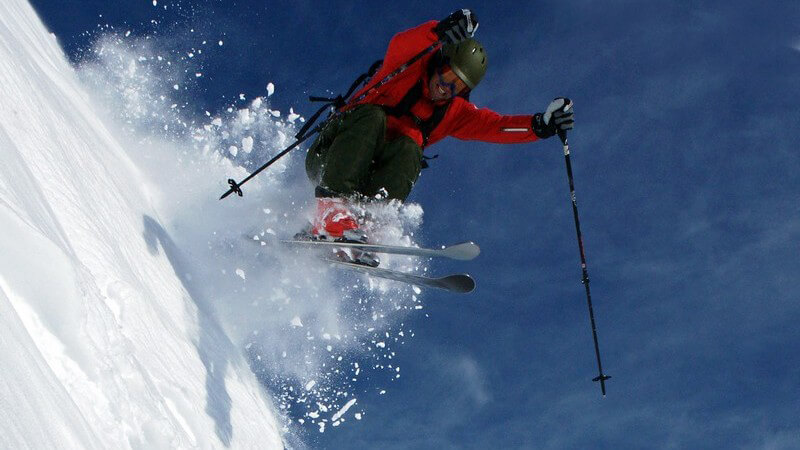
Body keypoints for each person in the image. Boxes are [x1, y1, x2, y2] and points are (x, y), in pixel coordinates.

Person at [303, 9, 574, 247]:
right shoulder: (406, 67)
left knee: (411, 147)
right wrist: (438, 31)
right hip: (330, 156)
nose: (446, 87)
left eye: (458, 86)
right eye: (447, 76)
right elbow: (403, 43)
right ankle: (331, 212)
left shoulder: (453, 113)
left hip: (367, 178)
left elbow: (497, 126)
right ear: (439, 64)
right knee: (374, 116)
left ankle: (365, 226)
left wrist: (540, 126)